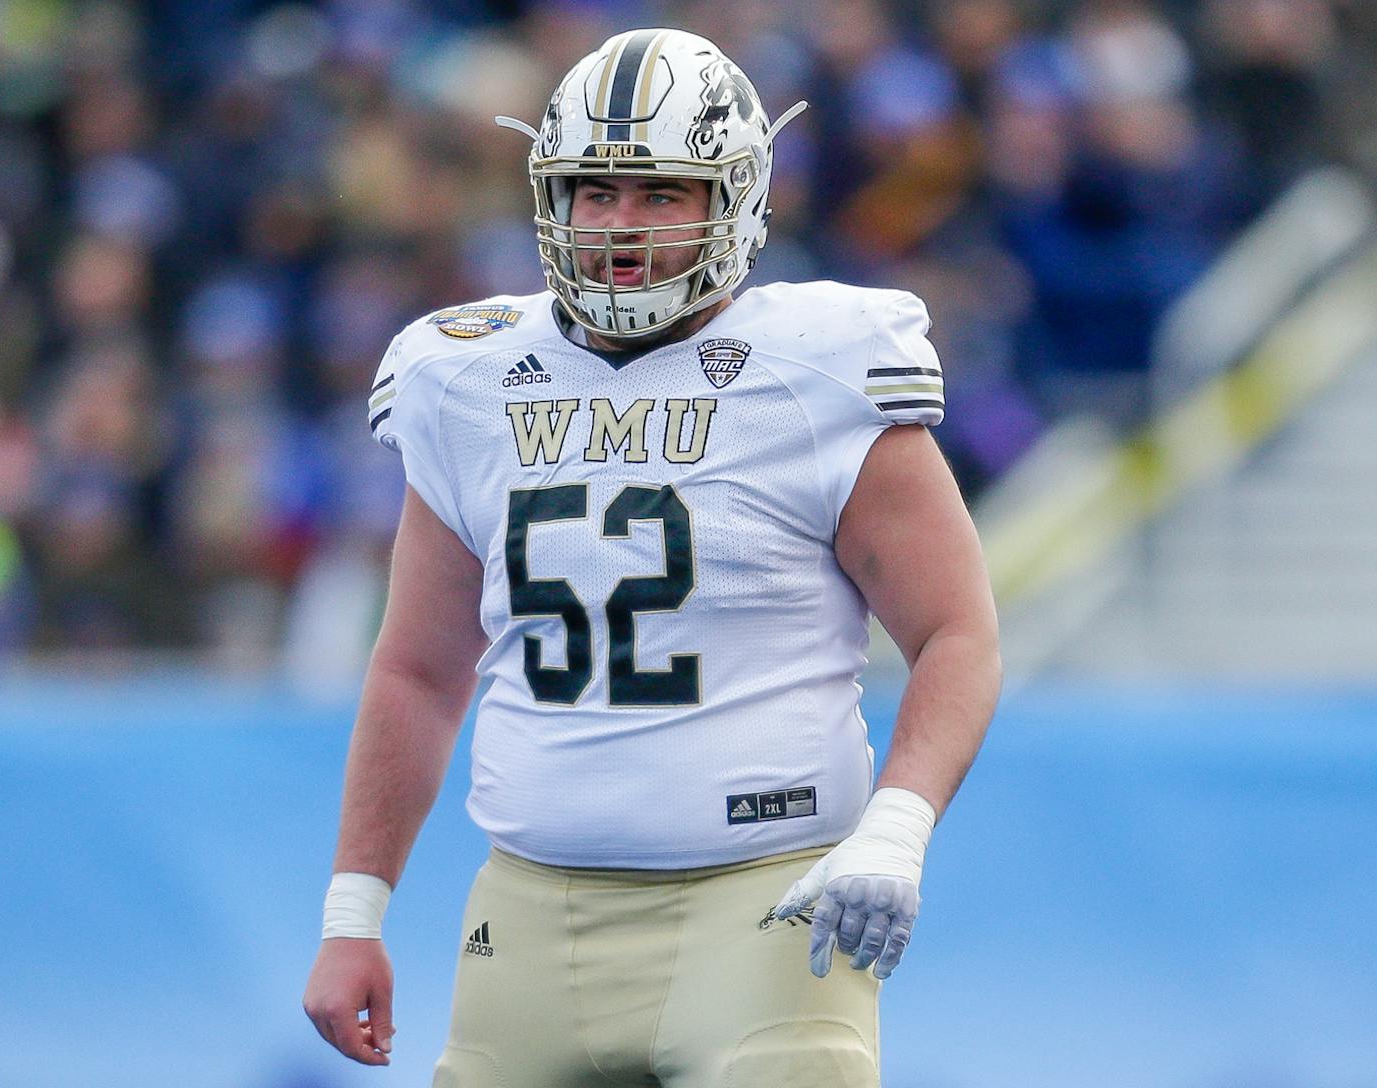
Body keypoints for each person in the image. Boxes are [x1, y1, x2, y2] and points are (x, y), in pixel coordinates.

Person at [303, 27, 1000, 1087]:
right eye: (593, 191)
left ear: (738, 197)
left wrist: (894, 828)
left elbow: (956, 630)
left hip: (761, 902)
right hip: (528, 912)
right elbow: (416, 666)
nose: (618, 226)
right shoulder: (468, 376)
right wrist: (353, 911)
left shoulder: (816, 367)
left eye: (662, 193)